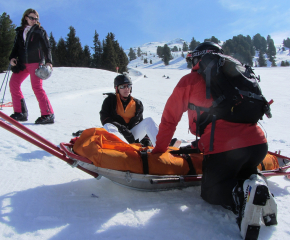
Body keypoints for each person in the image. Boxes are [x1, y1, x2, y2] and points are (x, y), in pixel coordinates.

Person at [152, 42, 277, 239]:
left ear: (197, 59)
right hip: (258, 145)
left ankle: (240, 198)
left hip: (225, 148)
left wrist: (159, 150)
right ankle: (257, 186)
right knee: (242, 173)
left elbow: (169, 119)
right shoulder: (236, 77)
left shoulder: (190, 80)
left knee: (211, 191)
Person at [9, 8, 54, 124]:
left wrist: (49, 61)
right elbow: (16, 48)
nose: (34, 20)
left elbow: (47, 47)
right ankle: (20, 113)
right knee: (13, 83)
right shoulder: (20, 32)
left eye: (36, 18)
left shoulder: (40, 31)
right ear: (26, 18)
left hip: (36, 62)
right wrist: (12, 58)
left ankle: (48, 114)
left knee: (37, 87)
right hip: (22, 63)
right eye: (31, 18)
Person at [100, 73, 158, 146]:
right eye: (123, 86)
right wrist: (122, 129)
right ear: (117, 88)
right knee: (108, 125)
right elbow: (104, 119)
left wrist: (146, 139)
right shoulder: (110, 101)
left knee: (149, 121)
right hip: (116, 135)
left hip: (131, 136)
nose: (126, 89)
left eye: (128, 86)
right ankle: (124, 148)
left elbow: (140, 123)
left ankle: (160, 147)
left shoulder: (137, 104)